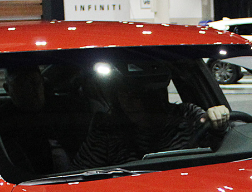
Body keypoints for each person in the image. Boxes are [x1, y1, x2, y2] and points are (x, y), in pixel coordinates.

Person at [73, 62, 229, 170]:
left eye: (138, 95)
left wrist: (219, 119)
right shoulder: (107, 129)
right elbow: (81, 174)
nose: (129, 103)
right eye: (123, 94)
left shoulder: (186, 115)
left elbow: (222, 142)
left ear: (157, 95)